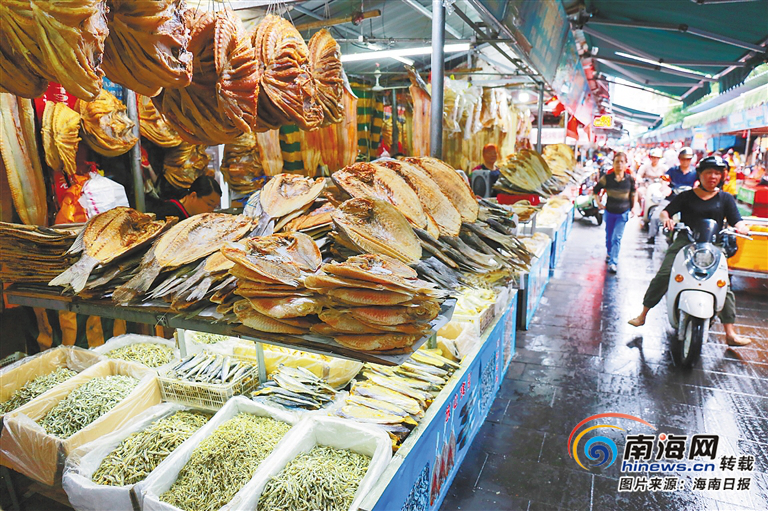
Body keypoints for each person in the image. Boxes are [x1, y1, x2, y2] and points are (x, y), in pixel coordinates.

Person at [628, 156, 751, 346]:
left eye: (717, 173)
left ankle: (730, 333)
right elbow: (666, 212)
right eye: (709, 172)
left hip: (714, 244)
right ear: (700, 175)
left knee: (723, 285)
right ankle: (643, 314)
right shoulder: (686, 196)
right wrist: (667, 219)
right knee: (665, 274)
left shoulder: (725, 198)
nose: (713, 176)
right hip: (686, 241)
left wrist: (742, 227)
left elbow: (737, 220)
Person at [593, 152, 638, 274]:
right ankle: (609, 253)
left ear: (626, 164)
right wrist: (598, 203)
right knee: (609, 236)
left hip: (623, 213)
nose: (619, 164)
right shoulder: (607, 178)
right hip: (610, 212)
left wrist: (633, 208)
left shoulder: (630, 179)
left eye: (622, 162)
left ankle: (613, 262)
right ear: (613, 163)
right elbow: (596, 190)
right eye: (617, 162)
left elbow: (633, 194)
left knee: (616, 238)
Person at [648, 147, 698, 243]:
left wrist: (696, 186)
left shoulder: (695, 172)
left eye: (688, 159)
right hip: (672, 198)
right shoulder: (673, 170)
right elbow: (664, 179)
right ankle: (651, 236)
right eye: (683, 159)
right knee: (656, 216)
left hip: (689, 200)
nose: (685, 161)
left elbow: (698, 183)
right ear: (679, 159)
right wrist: (665, 186)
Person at [153, 175, 221, 221]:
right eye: (209, 204)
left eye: (214, 207)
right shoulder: (169, 214)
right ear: (193, 196)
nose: (211, 210)